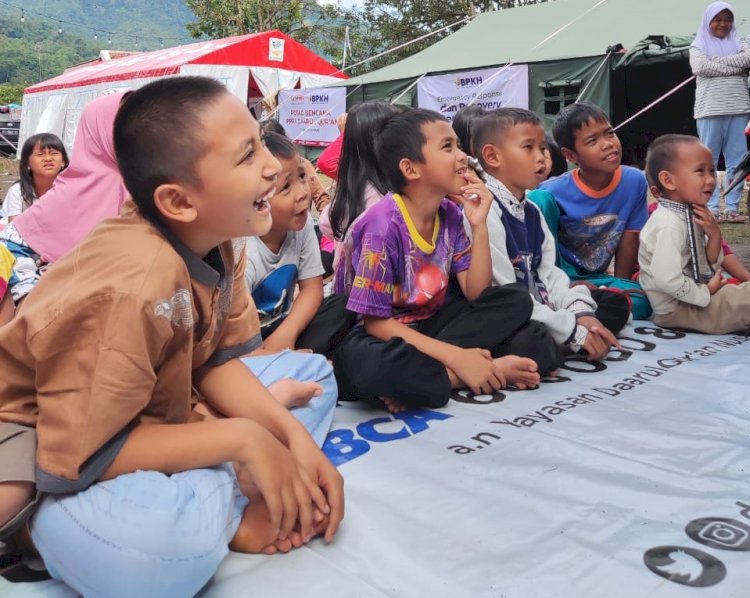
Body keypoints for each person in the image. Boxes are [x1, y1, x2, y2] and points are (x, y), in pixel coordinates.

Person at [0, 77, 344, 597]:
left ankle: (230, 479)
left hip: (157, 406)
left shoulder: (218, 237)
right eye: (247, 155)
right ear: (179, 201)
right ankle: (37, 529)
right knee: (151, 562)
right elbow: (89, 453)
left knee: (314, 373)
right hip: (54, 440)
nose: (274, 166)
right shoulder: (131, 279)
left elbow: (214, 363)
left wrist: (289, 438)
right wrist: (246, 438)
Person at [333, 108, 558, 413]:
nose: (462, 156)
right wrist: (456, 358)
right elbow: (375, 323)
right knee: (372, 366)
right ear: (411, 169)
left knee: (518, 307)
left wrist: (478, 224)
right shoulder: (382, 224)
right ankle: (469, 373)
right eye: (447, 147)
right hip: (383, 335)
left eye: (458, 145)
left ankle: (430, 381)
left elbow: (477, 294)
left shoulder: (451, 214)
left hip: (435, 327)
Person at [470, 108, 629, 361]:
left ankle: (568, 340)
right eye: (528, 148)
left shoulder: (532, 210)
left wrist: (581, 315)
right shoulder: (484, 211)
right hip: (508, 313)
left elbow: (549, 274)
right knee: (532, 342)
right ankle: (565, 343)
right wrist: (574, 332)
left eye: (543, 148)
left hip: (540, 306)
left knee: (614, 304)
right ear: (492, 156)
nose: (542, 157)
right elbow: (506, 296)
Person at [0, 93, 130, 321]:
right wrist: (34, 296)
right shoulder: (71, 188)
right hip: (67, 311)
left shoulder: (145, 180)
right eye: (123, 123)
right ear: (99, 132)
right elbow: (13, 244)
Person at [532, 101, 651, 319]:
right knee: (538, 199)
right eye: (592, 140)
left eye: (609, 133)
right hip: (557, 277)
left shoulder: (634, 181)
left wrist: (620, 285)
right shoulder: (552, 190)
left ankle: (579, 310)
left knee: (642, 300)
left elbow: (629, 239)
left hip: (596, 280)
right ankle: (557, 300)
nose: (607, 144)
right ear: (571, 155)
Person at [246, 132, 355, 355]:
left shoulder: (301, 224)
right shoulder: (243, 251)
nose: (303, 193)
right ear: (255, 201)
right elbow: (229, 338)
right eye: (286, 187)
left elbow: (312, 289)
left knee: (343, 304)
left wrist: (287, 334)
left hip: (284, 326)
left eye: (302, 177)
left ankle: (293, 359)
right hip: (246, 340)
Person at [639, 134, 750, 333]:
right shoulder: (668, 223)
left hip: (695, 299)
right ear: (668, 180)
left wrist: (714, 236)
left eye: (712, 170)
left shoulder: (690, 212)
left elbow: (706, 265)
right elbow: (667, 279)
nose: (710, 179)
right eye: (700, 171)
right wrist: (706, 292)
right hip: (678, 310)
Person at [690, 1, 750, 222]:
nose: (723, 24)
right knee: (708, 161)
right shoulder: (698, 45)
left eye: (728, 19)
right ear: (708, 21)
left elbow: (748, 58)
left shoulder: (742, 41)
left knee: (738, 160)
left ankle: (732, 208)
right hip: (709, 110)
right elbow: (699, 67)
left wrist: (715, 62)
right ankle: (712, 207)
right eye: (717, 19)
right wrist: (735, 66)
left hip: (739, 107)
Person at [321, 101, 398, 243]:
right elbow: (326, 163)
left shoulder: (358, 190)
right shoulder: (401, 185)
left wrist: (346, 134)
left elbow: (327, 223)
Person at [0, 133, 69, 222]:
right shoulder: (18, 191)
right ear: (27, 163)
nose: (48, 158)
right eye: (40, 154)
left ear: (63, 161)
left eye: (54, 153)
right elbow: (14, 228)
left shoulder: (71, 190)